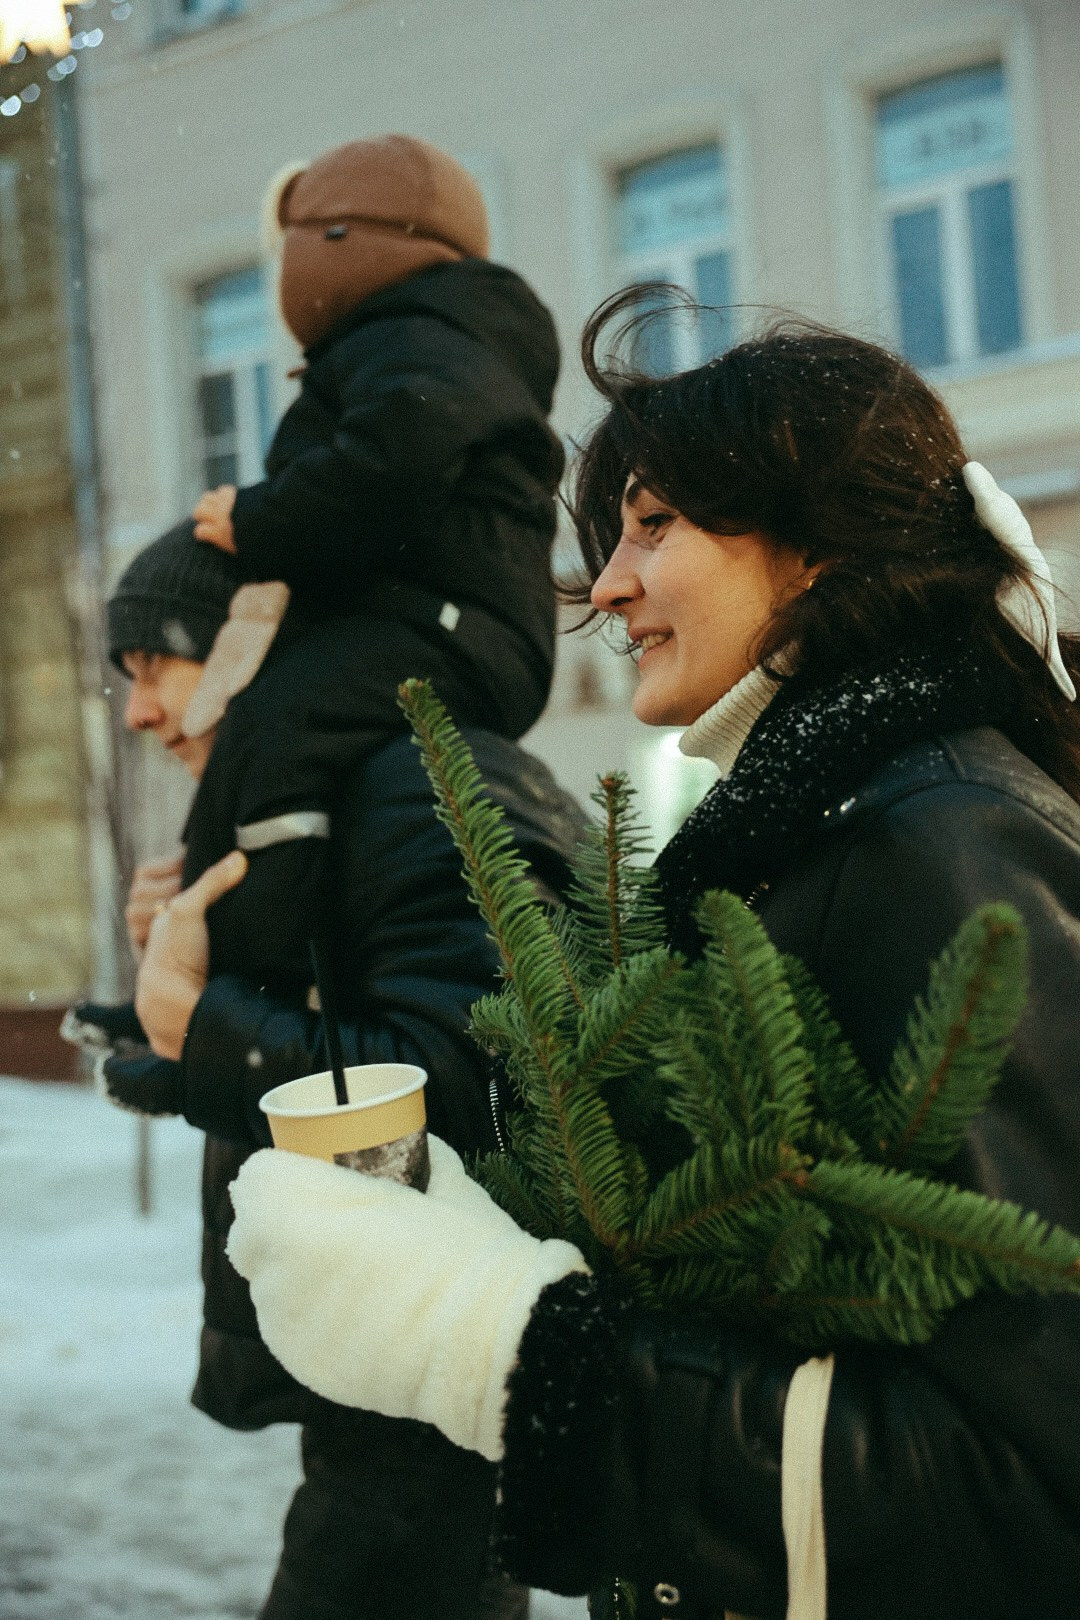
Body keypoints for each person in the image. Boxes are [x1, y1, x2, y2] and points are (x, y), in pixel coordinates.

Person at [226, 295, 1080, 1620]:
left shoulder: (946, 848)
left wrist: (504, 1344)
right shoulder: (827, 833)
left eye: (655, 524)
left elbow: (1030, 1494)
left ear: (814, 540)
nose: (606, 584)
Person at [68, 523, 586, 1620]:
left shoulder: (416, 786)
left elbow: (475, 1090)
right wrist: (180, 1035)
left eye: (153, 664)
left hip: (429, 1382)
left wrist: (201, 1021)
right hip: (395, 1369)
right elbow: (360, 1049)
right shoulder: (333, 801)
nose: (139, 712)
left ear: (246, 648)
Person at [180, 134, 564, 981]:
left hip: (456, 627)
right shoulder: (427, 336)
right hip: (431, 621)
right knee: (253, 728)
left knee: (283, 729)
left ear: (344, 240)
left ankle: (273, 974)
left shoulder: (426, 334)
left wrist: (257, 517)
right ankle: (187, 947)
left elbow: (390, 460)